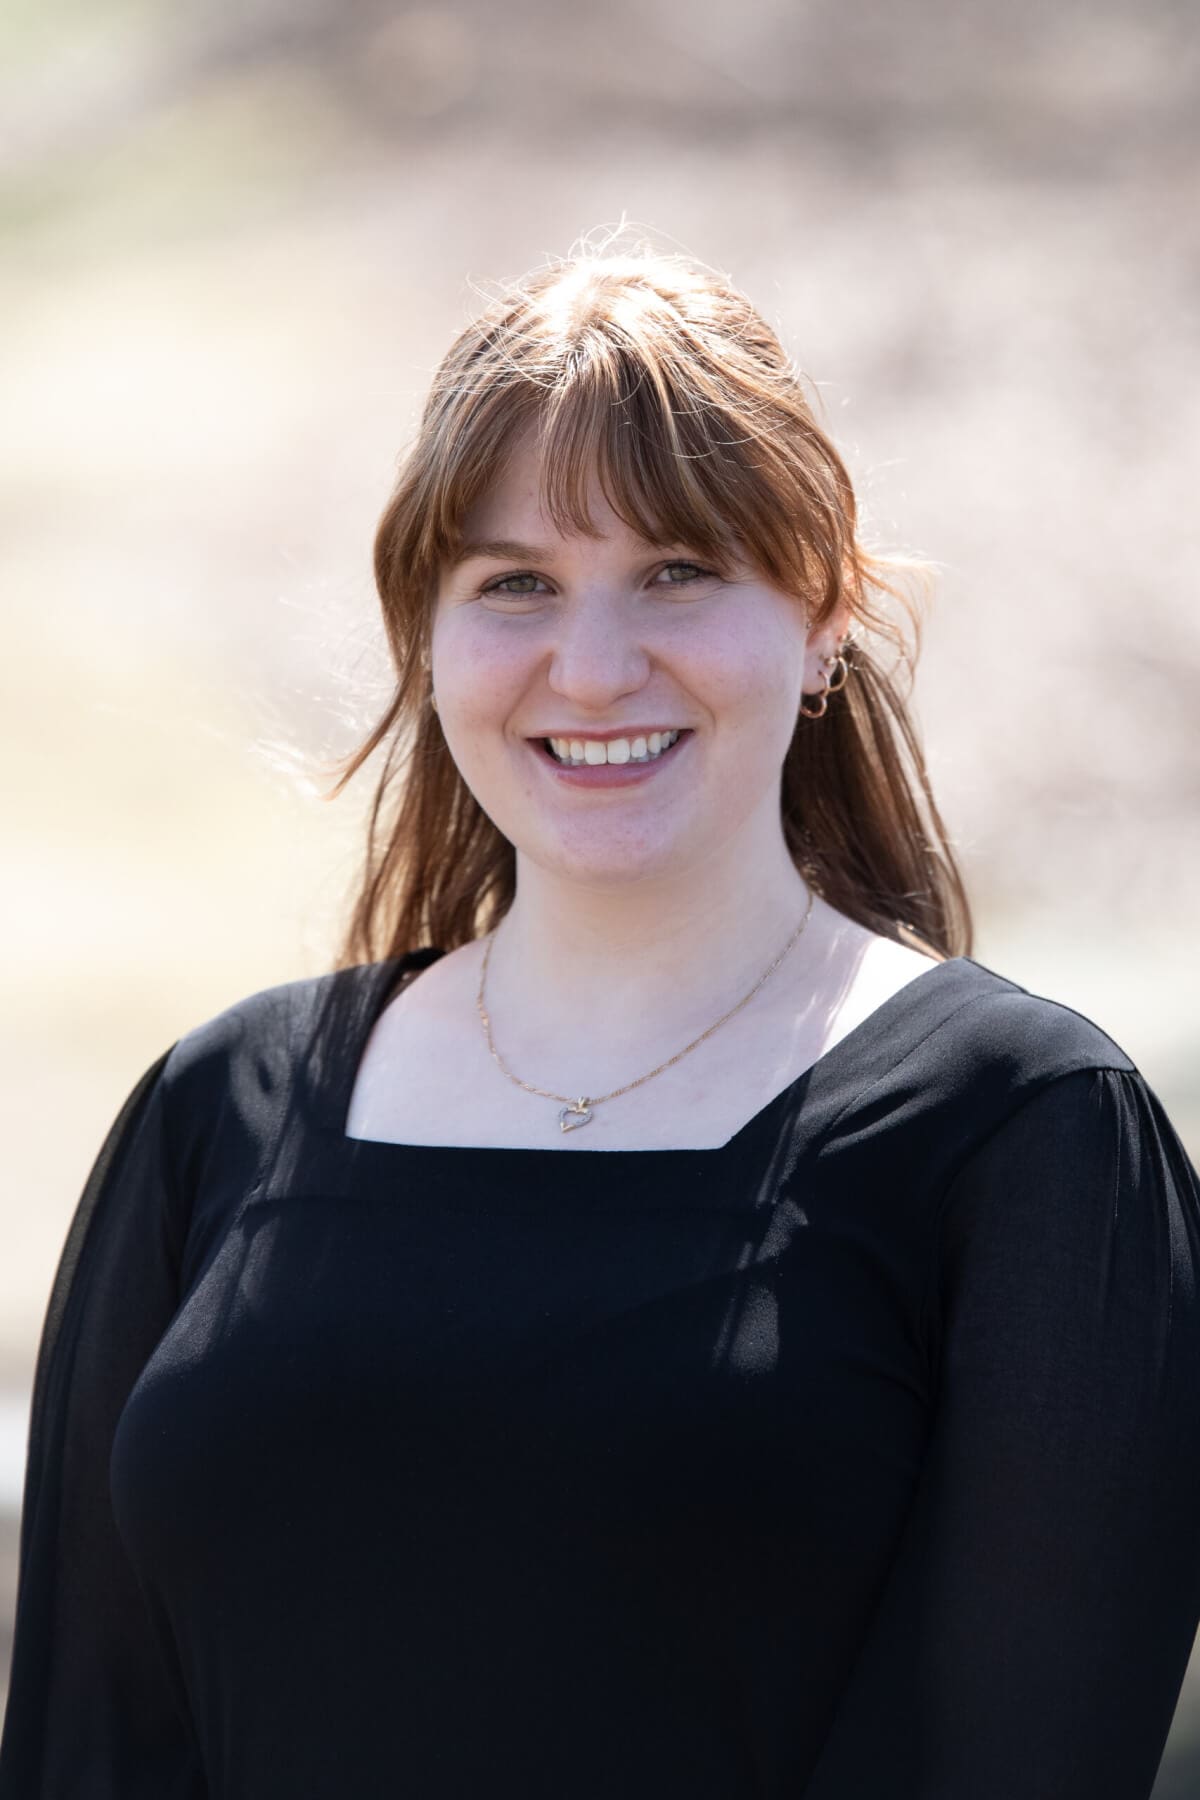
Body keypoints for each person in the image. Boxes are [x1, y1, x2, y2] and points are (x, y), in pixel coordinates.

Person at [2, 240, 1199, 1800]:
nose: (593, 665)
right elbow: (88, 1745)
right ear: (426, 640)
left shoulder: (1025, 1138)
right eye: (516, 585)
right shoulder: (220, 1108)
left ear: (825, 609)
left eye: (679, 574)